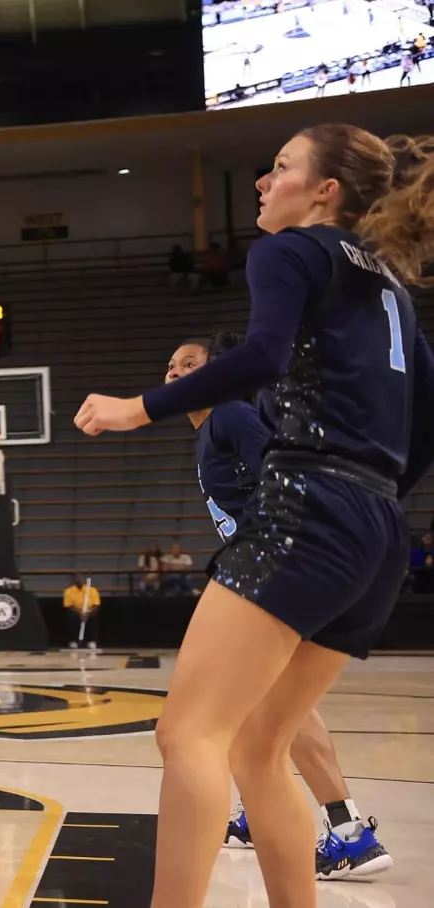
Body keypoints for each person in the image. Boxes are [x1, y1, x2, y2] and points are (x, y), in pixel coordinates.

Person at [74, 124, 432, 905]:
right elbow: (424, 424)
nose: (265, 185)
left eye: (280, 169)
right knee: (260, 744)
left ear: (324, 190)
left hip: (311, 507)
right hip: (378, 530)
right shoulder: (393, 291)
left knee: (187, 733)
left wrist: (139, 407)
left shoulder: (288, 250)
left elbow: (264, 355)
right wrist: (368, 504)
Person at [160, 331, 393, 879]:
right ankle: (278, 813)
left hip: (277, 572)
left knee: (250, 717)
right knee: (265, 712)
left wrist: (273, 550)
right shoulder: (212, 428)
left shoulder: (232, 415)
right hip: (281, 570)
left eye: (189, 363)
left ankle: (350, 831)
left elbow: (284, 474)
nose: (173, 373)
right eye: (170, 365)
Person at [62, 573, 100, 650]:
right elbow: (69, 606)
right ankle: (73, 641)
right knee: (71, 616)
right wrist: (80, 613)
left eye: (81, 578)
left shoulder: (92, 590)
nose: (79, 580)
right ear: (73, 581)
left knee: (93, 617)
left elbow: (96, 605)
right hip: (76, 611)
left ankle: (92, 641)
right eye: (77, 578)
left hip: (89, 611)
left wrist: (88, 613)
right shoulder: (68, 591)